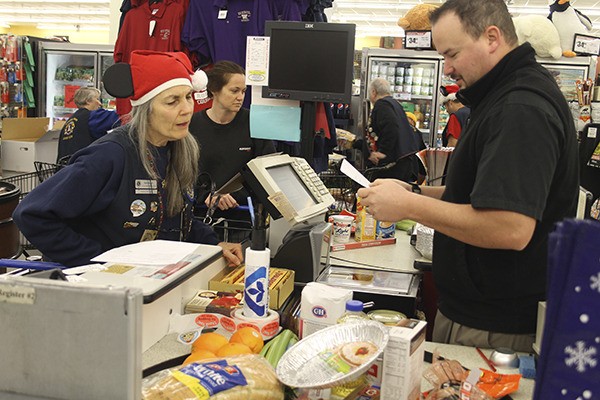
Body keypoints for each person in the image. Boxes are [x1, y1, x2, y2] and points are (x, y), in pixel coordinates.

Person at [357, 0, 579, 352]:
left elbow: (508, 227)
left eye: (452, 54)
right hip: (477, 313)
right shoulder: (501, 97)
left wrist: (409, 205)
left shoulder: (519, 108)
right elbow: (480, 193)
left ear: (492, 37)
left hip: (496, 327)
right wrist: (417, 191)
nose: (446, 69)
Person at [13, 51, 243, 268]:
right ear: (146, 109)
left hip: (149, 280)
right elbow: (32, 214)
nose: (186, 109)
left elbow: (175, 218)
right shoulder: (110, 155)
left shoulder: (180, 149)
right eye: (172, 101)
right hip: (104, 291)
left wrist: (212, 245)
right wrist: (97, 261)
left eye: (188, 97)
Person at [189, 61, 275, 241]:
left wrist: (234, 196)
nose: (240, 97)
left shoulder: (256, 123)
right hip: (197, 221)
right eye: (234, 91)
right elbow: (181, 174)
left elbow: (268, 174)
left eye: (243, 91)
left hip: (244, 222)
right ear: (214, 90)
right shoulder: (191, 125)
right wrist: (206, 196)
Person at [364, 77, 420, 182]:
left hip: (393, 165)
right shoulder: (395, 104)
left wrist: (382, 152)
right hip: (405, 162)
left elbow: (391, 127)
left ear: (373, 92)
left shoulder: (382, 104)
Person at [56, 86, 120, 163]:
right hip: (83, 167)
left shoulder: (72, 119)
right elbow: (120, 116)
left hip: (66, 168)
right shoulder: (92, 117)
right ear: (88, 101)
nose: (100, 103)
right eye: (97, 99)